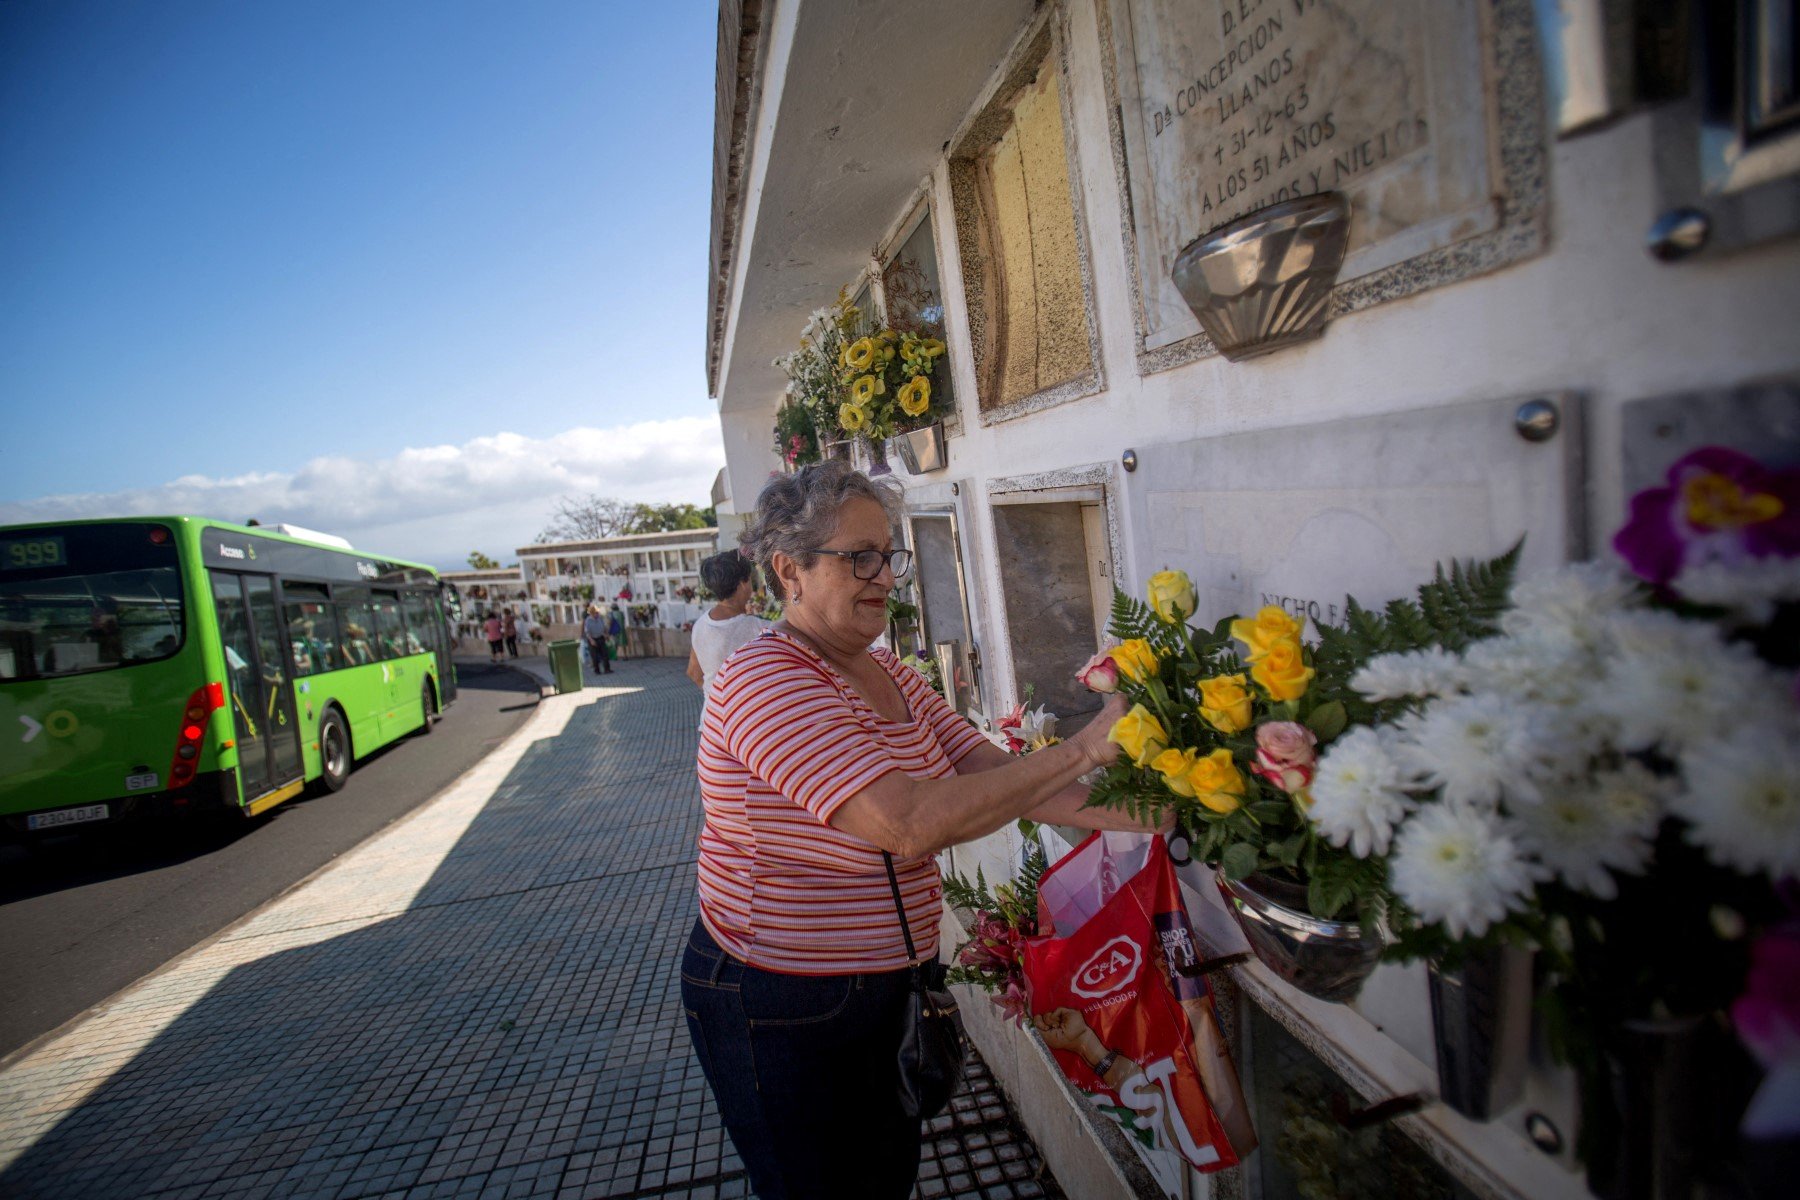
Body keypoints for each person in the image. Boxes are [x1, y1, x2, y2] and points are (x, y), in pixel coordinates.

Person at [680, 460, 1161, 1199]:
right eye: (859, 557)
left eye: (890, 554)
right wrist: (1088, 744)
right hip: (779, 1000)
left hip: (887, 982)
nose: (885, 576)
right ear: (790, 572)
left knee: (885, 1178)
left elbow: (997, 776)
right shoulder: (762, 679)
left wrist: (1164, 811)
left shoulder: (888, 672)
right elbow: (902, 823)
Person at [685, 551, 772, 726]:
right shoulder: (758, 628)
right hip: (747, 724)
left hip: (711, 722)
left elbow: (693, 672)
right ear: (742, 584)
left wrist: (717, 695)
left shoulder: (700, 625)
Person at [582, 603, 611, 674]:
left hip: (601, 637)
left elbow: (604, 627)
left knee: (605, 654)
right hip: (592, 639)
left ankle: (607, 669)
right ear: (591, 613)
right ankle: (597, 670)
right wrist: (591, 640)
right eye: (596, 613)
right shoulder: (588, 620)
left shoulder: (600, 618)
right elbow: (587, 632)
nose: (597, 614)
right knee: (594, 656)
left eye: (597, 612)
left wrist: (606, 634)